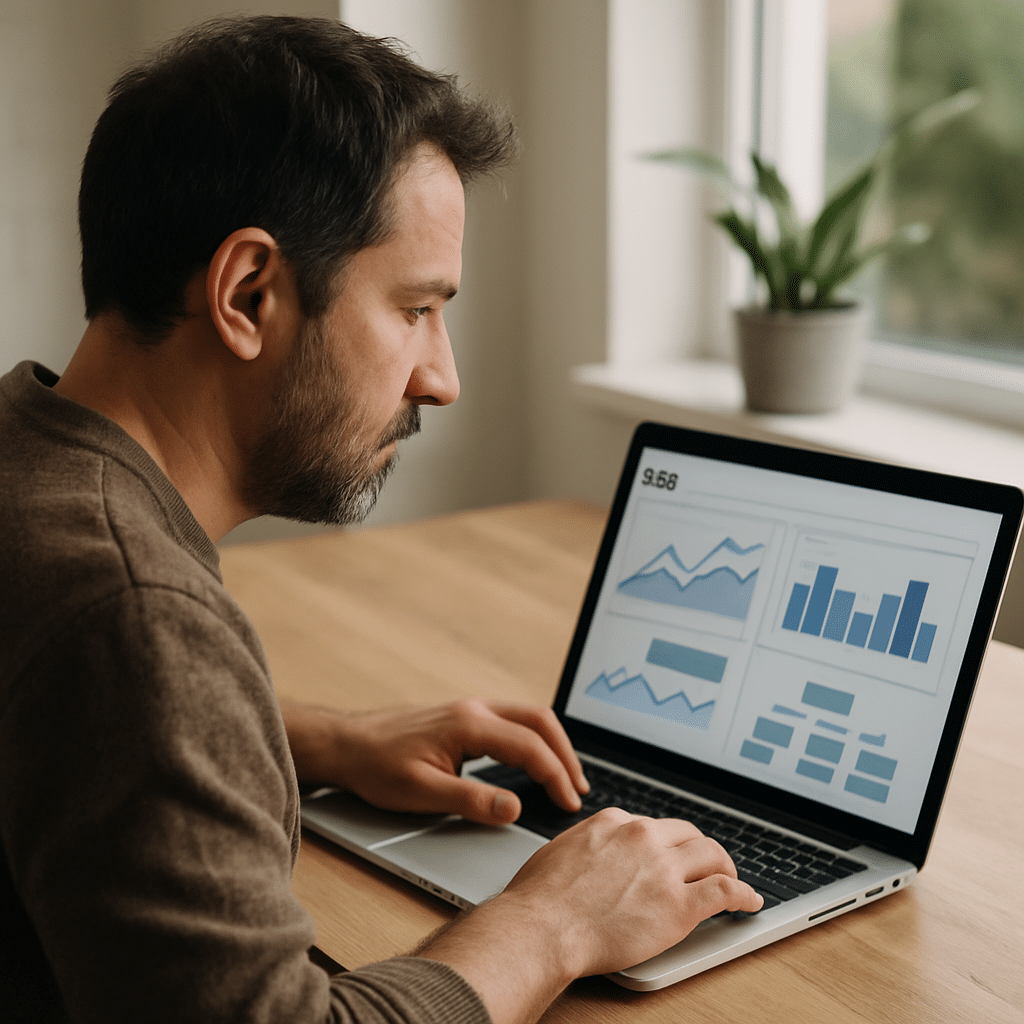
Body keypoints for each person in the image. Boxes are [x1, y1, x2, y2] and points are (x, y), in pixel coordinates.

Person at [0, 15, 761, 1024]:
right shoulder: (134, 618)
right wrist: (553, 920)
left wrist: (304, 739)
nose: (442, 377)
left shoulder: (28, 463)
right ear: (248, 294)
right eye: (415, 309)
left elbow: (67, 709)